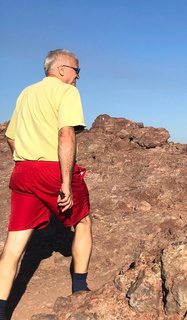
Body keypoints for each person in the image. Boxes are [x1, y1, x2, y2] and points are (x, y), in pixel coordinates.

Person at [0, 49, 92, 319]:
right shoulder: (67, 92)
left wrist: (26, 156)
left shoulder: (26, 93)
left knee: (14, 244)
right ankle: (80, 289)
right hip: (52, 170)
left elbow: (10, 137)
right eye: (77, 70)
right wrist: (65, 181)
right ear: (62, 69)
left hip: (23, 171)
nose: (78, 77)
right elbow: (66, 134)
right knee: (83, 222)